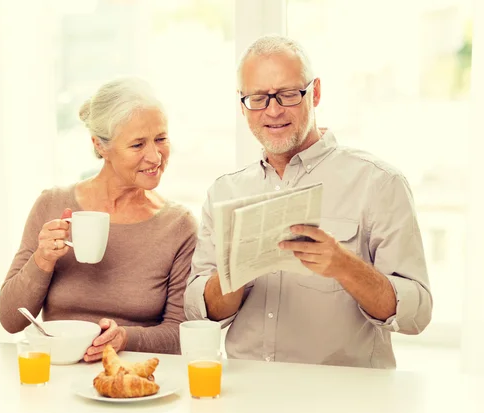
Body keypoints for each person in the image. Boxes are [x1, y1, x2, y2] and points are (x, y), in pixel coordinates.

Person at [184, 35, 433, 369]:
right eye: (258, 98)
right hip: (244, 395)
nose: (273, 111)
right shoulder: (224, 192)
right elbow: (200, 313)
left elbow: (417, 315)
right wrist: (235, 272)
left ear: (314, 92)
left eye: (287, 94)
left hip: (339, 399)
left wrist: (345, 267)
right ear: (242, 104)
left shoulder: (379, 184)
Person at [0, 77, 198, 362]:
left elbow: (180, 334)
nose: (155, 156)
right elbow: (10, 320)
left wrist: (126, 339)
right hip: (58, 378)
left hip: (134, 381)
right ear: (100, 145)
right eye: (138, 144)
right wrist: (42, 261)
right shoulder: (52, 204)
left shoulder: (178, 226)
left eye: (161, 139)